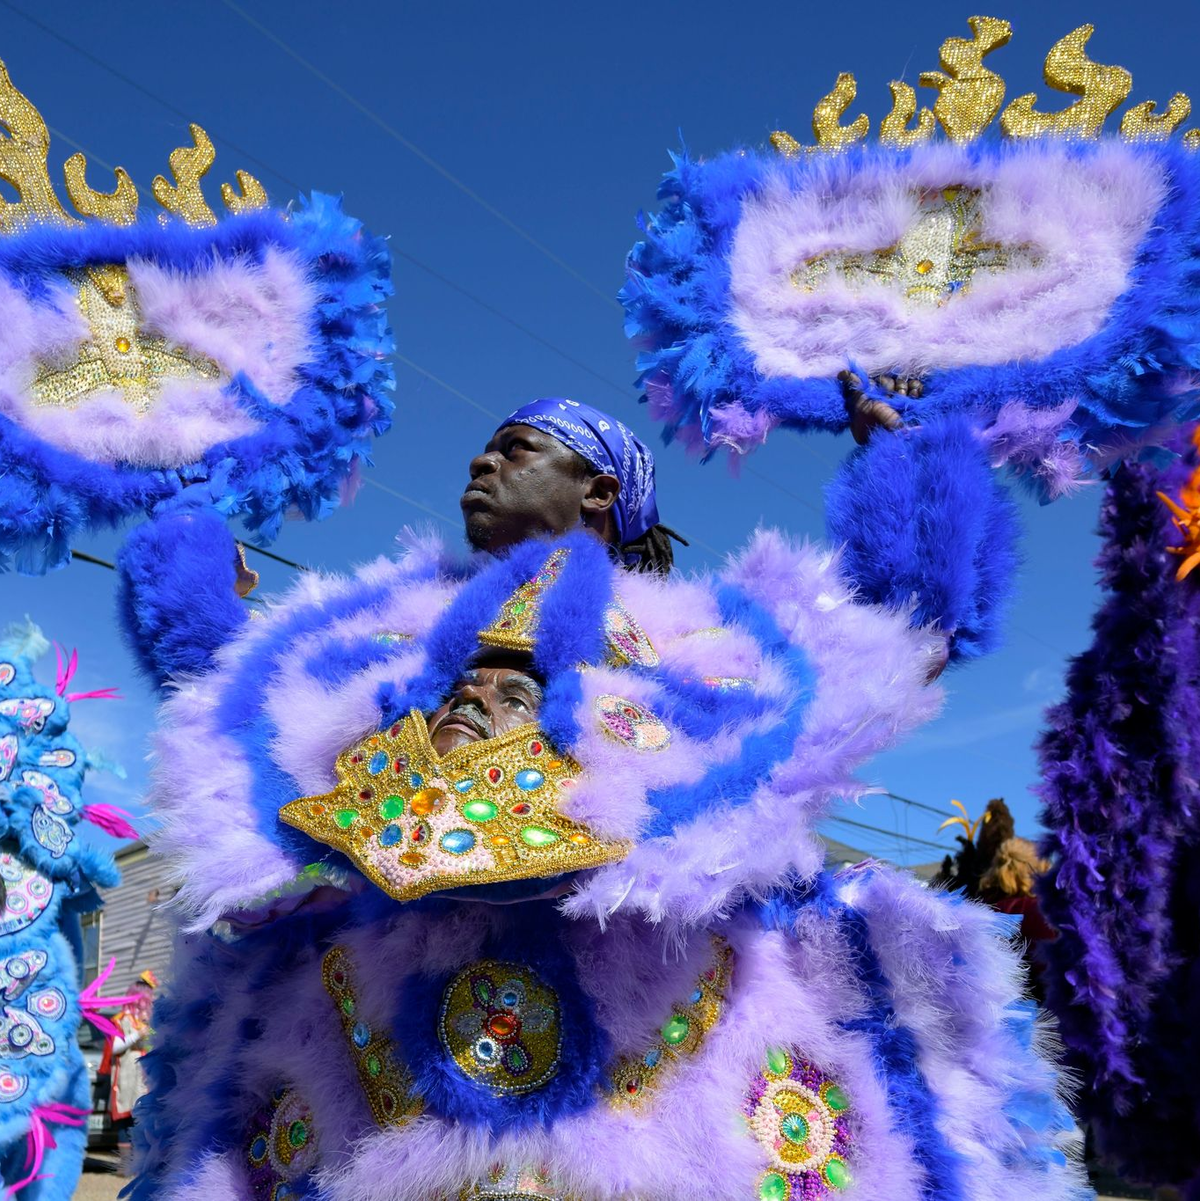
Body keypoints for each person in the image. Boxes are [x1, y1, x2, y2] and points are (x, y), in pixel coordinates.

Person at [118, 398, 1090, 1199]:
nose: (481, 462)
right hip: (385, 1046)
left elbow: (892, 639)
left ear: (600, 490)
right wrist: (183, 543)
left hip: (650, 1040)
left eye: (516, 448)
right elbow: (233, 697)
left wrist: (908, 463)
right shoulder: (383, 628)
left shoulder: (703, 633)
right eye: (485, 446)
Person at [109, 970, 157, 1178]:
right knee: (125, 1119)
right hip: (126, 1075)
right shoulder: (122, 1020)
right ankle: (125, 1165)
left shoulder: (148, 1022)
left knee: (141, 1118)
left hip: (144, 1077)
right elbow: (115, 1047)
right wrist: (137, 1035)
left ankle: (140, 1164)